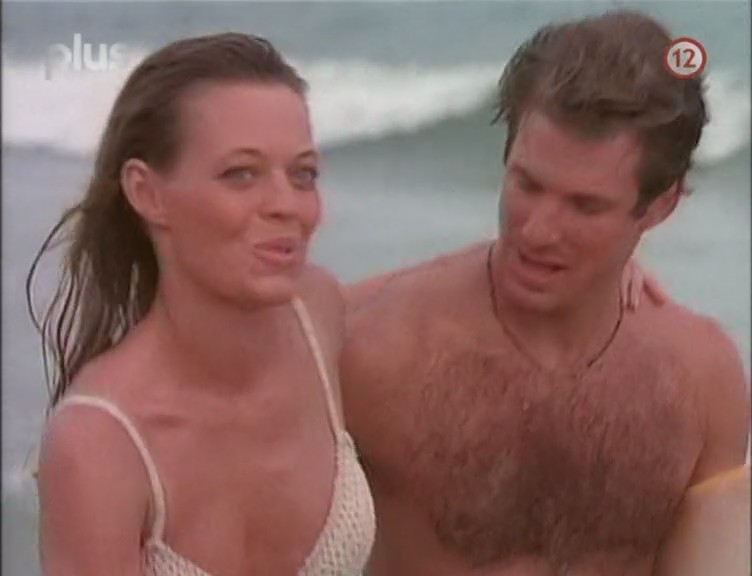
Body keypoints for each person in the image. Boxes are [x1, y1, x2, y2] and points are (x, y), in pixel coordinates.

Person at [341, 10, 750, 576]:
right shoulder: (375, 345)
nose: (536, 231)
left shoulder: (703, 381)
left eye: (585, 206)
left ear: (660, 206)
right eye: (527, 184)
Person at [28, 33, 376, 576]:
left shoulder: (317, 315)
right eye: (241, 174)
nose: (287, 205)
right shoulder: (99, 444)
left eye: (303, 174)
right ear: (147, 194)